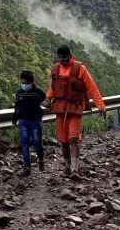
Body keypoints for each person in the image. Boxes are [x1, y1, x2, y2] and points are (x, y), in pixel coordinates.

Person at [45, 45, 106, 180]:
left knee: (73, 139)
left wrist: (100, 105)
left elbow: (92, 87)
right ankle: (67, 168)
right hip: (60, 109)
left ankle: (74, 170)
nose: (63, 60)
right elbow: (52, 88)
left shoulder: (80, 69)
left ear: (70, 55)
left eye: (65, 57)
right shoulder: (55, 69)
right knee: (63, 141)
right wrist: (47, 99)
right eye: (60, 58)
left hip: (75, 108)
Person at [12, 70, 46, 177]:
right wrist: (14, 120)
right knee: (24, 144)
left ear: (32, 82)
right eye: (23, 83)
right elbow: (17, 108)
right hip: (23, 121)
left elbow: (46, 101)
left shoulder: (38, 92)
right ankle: (26, 167)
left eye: (27, 83)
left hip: (36, 121)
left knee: (37, 142)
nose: (25, 85)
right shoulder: (19, 93)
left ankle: (40, 159)